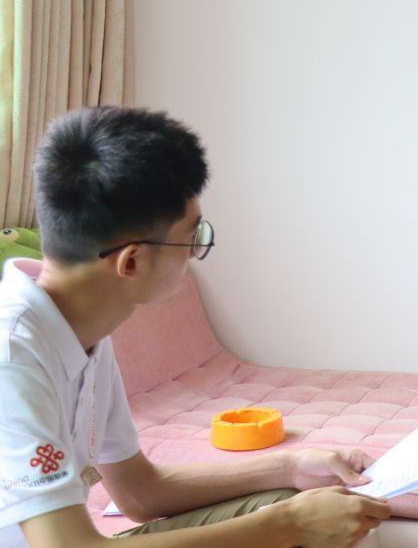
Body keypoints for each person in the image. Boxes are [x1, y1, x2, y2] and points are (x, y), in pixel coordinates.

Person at [0, 107, 390, 548]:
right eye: (192, 236)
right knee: (298, 526)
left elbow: (140, 492)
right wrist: (291, 525)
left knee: (312, 507)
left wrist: (291, 468)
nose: (195, 252)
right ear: (132, 261)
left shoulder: (83, 328)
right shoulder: (13, 356)